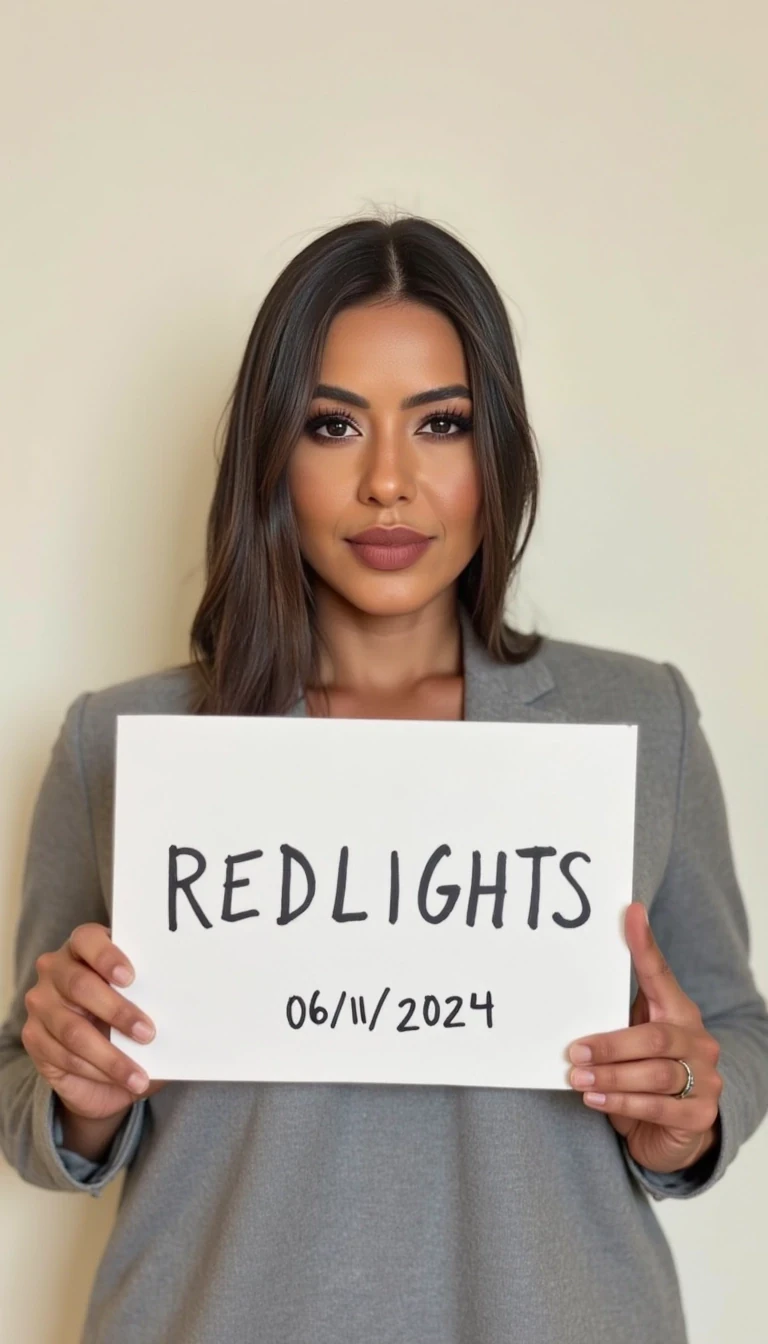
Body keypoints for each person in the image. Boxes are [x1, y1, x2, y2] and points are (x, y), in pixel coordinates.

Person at [1, 211, 766, 1344]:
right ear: (273, 452)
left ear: (495, 449)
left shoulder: (639, 718)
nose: (389, 483)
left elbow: (735, 1028)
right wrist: (78, 1092)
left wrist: (690, 1114)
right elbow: (31, 1098)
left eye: (441, 424)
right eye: (333, 425)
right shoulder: (121, 741)